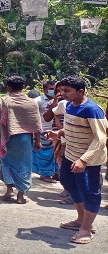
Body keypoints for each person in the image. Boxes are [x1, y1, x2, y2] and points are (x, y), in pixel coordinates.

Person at [47, 77, 107, 244]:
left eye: (67, 91)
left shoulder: (92, 109)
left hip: (89, 160)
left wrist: (84, 160)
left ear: (80, 91)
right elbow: (70, 127)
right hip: (70, 155)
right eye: (61, 91)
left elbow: (100, 139)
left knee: (90, 192)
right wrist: (58, 134)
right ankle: (81, 220)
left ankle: (87, 229)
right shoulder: (69, 106)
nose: (62, 94)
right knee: (69, 183)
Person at [0, 75, 42, 204]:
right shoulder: (31, 103)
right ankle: (21, 195)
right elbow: (36, 123)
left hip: (7, 137)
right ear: (23, 87)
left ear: (9, 87)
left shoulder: (2, 101)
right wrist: (38, 141)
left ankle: (9, 191)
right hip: (24, 139)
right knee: (24, 166)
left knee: (6, 163)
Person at [33, 81, 58, 182]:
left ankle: (56, 173)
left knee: (56, 153)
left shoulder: (62, 100)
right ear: (44, 90)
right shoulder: (37, 101)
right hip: (43, 130)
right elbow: (34, 118)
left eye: (54, 88)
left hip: (56, 130)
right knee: (45, 154)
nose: (53, 91)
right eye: (51, 89)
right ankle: (45, 174)